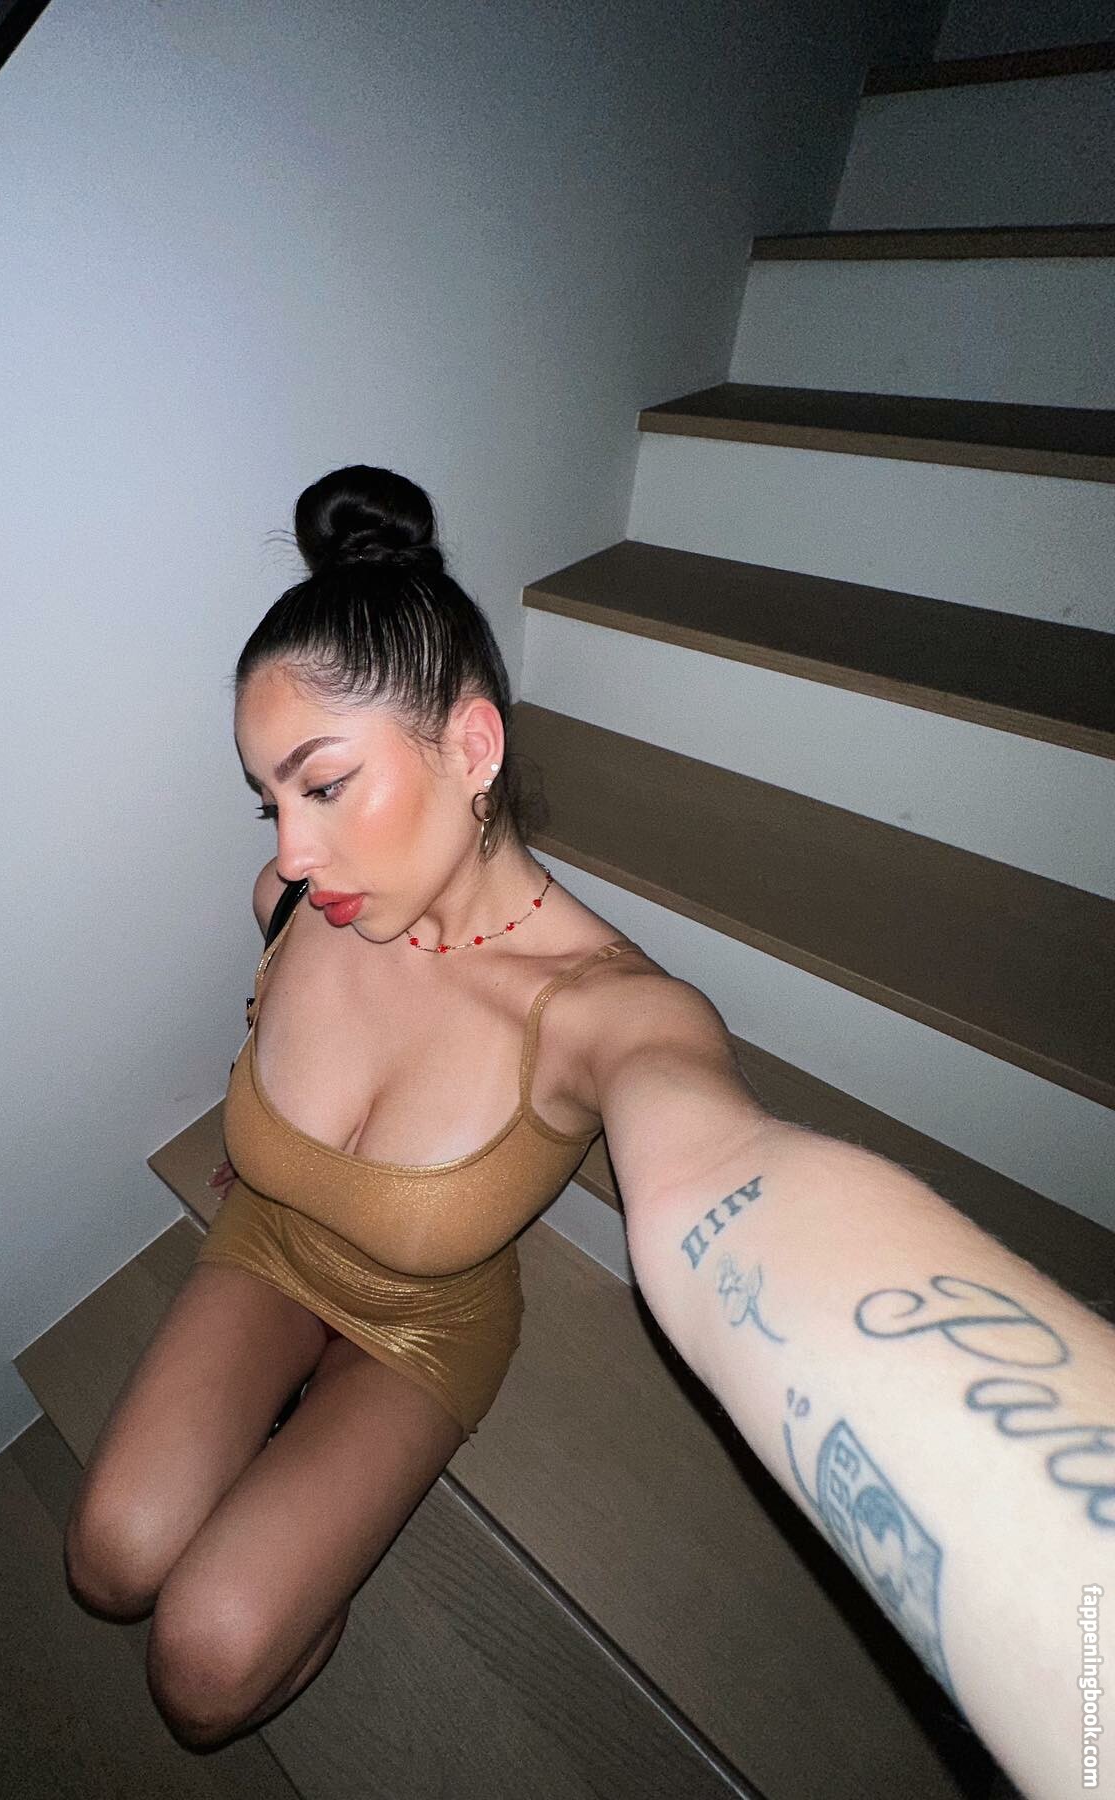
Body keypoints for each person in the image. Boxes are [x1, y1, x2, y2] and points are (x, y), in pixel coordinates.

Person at [63, 465, 1113, 1797]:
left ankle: (309, 1536)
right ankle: (283, 1463)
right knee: (107, 1562)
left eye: (324, 786)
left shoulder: (610, 1011)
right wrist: (281, 1153)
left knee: (204, 1667)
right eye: (270, 800)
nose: (294, 848)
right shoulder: (287, 900)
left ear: (473, 749)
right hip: (268, 1245)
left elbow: (731, 1173)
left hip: (422, 1323)